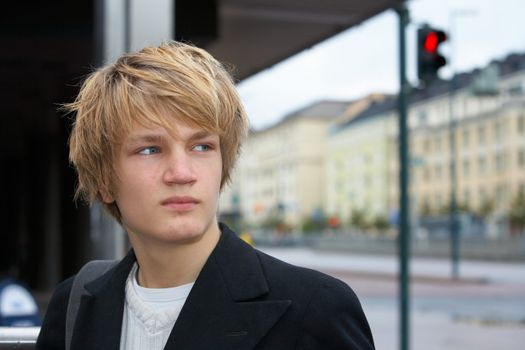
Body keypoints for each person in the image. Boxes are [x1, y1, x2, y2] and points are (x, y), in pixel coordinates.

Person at [36, 41, 375, 350]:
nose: (182, 173)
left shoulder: (315, 310)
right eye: (150, 149)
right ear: (105, 181)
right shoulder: (74, 305)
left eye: (202, 146)